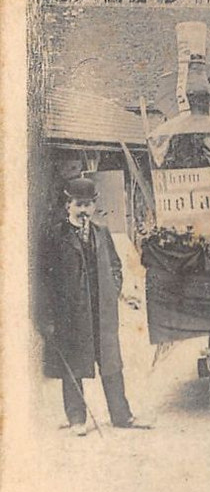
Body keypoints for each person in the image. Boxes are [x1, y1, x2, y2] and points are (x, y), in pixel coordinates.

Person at [37, 177, 147, 435]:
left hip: (101, 314)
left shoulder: (101, 232)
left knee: (112, 364)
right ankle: (77, 419)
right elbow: (42, 279)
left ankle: (122, 415)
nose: (84, 210)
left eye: (88, 204)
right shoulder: (56, 236)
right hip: (71, 315)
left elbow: (116, 266)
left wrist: (113, 289)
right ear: (68, 205)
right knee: (73, 366)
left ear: (94, 206)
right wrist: (47, 318)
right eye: (79, 204)